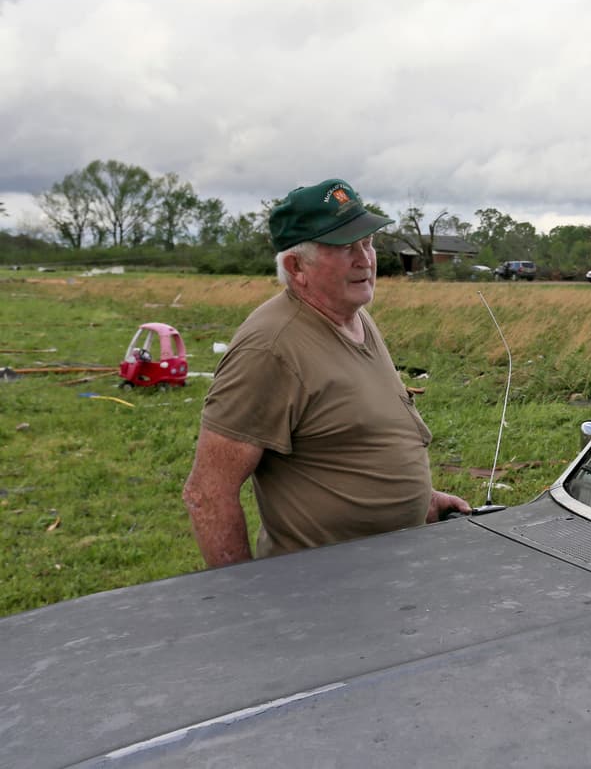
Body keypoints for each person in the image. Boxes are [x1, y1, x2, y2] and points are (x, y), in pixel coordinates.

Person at [183, 178, 470, 567]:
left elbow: (352, 436)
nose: (365, 259)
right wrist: (244, 606)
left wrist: (423, 500)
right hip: (322, 590)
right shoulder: (270, 348)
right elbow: (207, 492)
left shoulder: (354, 316)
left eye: (367, 242)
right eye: (343, 247)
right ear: (296, 266)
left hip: (387, 573)